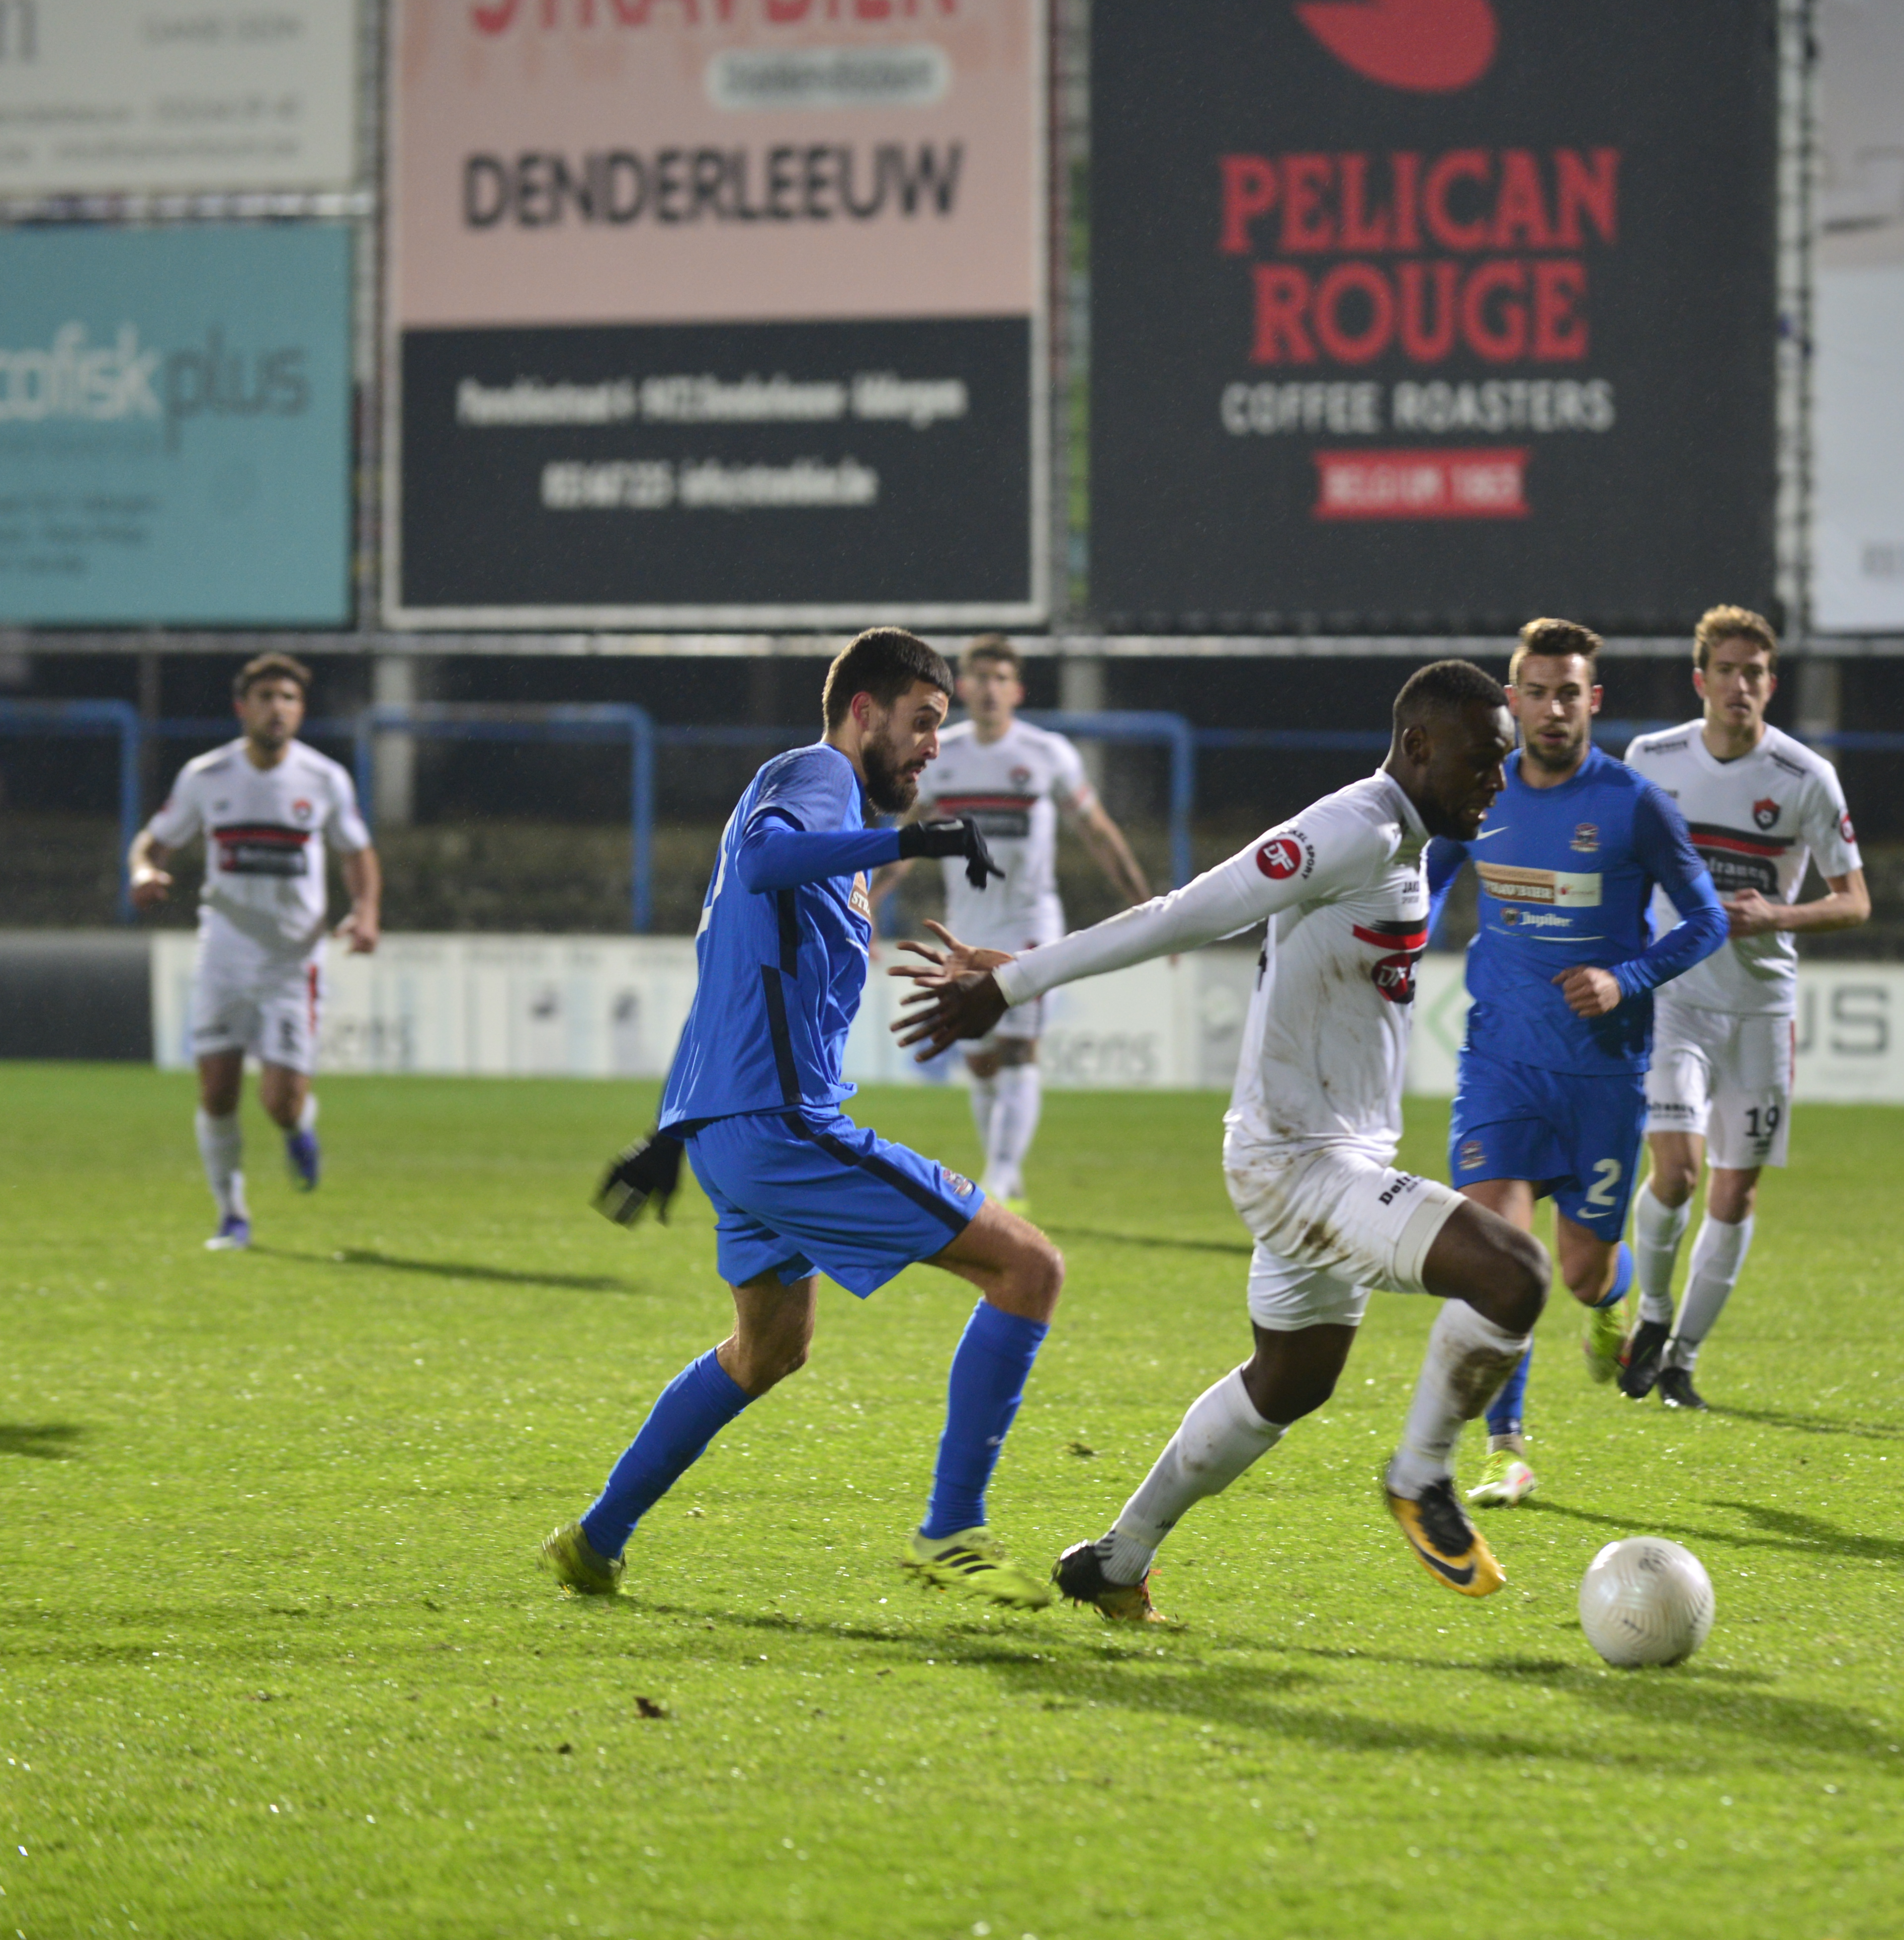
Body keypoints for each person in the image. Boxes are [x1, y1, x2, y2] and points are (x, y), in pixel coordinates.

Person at [894, 661, 1548, 1623]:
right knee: (1514, 1276)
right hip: (1299, 1165)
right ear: (1418, 747)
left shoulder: (1400, 838)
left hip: (1325, 1156)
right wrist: (1017, 983)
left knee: (1289, 1383)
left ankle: (1118, 1560)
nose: (1501, 780)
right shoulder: (1355, 827)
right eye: (1486, 760)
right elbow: (1192, 910)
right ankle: (1421, 1475)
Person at [546, 628, 1066, 1610]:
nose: (928, 751)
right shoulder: (814, 774)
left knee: (767, 1349)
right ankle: (951, 1529)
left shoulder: (826, 826)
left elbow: (727, 977)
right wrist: (909, 840)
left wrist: (673, 1128)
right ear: (861, 711)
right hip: (782, 1130)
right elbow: (764, 863)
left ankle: (594, 1539)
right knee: (1026, 1267)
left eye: (939, 733)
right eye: (919, 725)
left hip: (737, 1134)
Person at [1422, 618, 1727, 1504]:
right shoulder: (1479, 794)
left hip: (1600, 1073)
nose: (1552, 709)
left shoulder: (1634, 804)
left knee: (1581, 1270)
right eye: (1536, 691)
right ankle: (1505, 1447)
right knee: (1501, 1255)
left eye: (1569, 693)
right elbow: (1433, 880)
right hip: (1500, 1063)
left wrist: (1626, 978)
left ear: (1592, 701)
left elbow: (1705, 920)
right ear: (1511, 701)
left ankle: (1610, 1299)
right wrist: (1397, 956)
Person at [1618, 605, 1868, 1408]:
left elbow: (1856, 900)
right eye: (1725, 671)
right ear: (1701, 680)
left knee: (1737, 1192)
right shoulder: (1649, 760)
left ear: (1772, 682)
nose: (1740, 686)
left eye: (1755, 673)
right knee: (1679, 1170)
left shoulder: (1805, 780)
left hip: (1760, 1008)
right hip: (1673, 997)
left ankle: (1683, 1359)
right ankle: (1653, 1315)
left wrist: (1778, 916)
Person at [880, 634, 1157, 1212]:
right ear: (962, 689)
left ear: (1016, 689)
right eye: (977, 677)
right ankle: (1004, 1174)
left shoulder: (1047, 752)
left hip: (1033, 923)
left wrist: (1144, 905)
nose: (988, 688)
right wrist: (867, 904)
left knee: (1018, 1048)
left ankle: (1001, 1178)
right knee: (978, 1054)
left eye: (999, 678)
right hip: (966, 926)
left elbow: (1098, 832)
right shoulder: (940, 755)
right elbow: (907, 841)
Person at [128, 653, 379, 1249]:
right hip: (225, 952)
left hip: (292, 960)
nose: (277, 708)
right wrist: (142, 871)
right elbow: (155, 842)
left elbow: (358, 852)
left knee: (281, 1102)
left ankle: (300, 1130)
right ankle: (232, 1216)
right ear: (243, 707)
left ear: (301, 710)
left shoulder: (324, 780)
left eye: (288, 698)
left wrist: (365, 911)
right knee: (217, 1090)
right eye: (265, 697)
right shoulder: (206, 776)